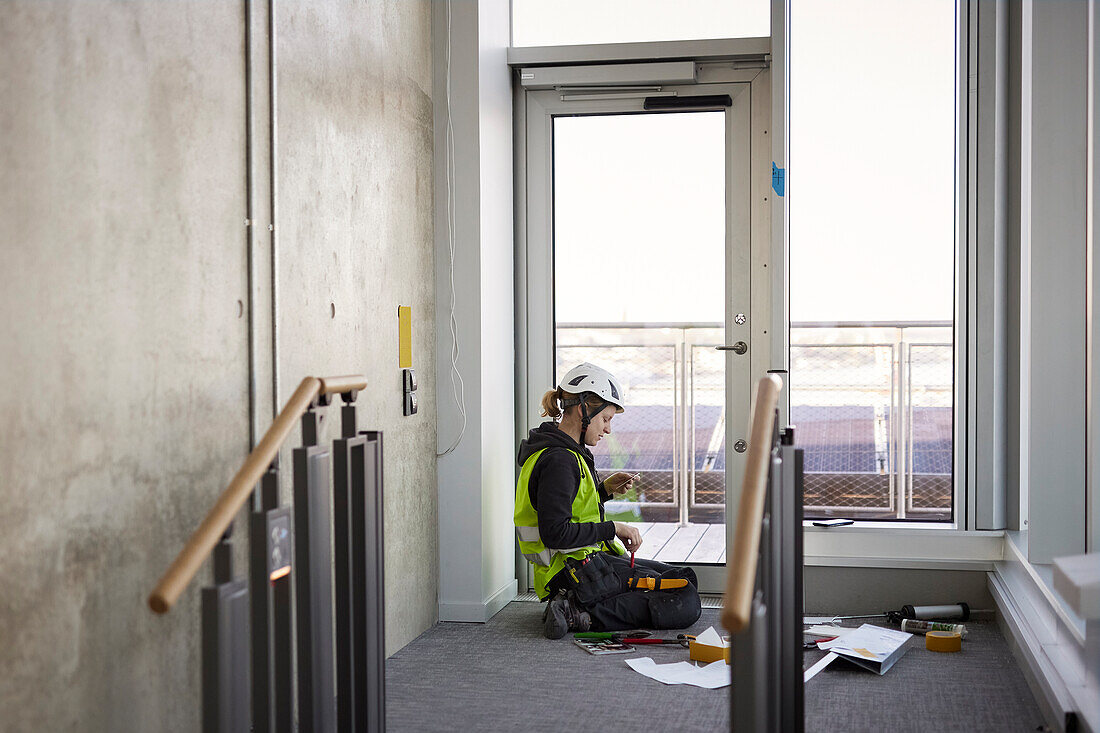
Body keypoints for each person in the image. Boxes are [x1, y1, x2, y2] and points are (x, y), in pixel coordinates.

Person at [514, 362, 702, 639]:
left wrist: (603, 491)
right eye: (606, 419)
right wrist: (614, 528)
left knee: (683, 577)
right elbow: (556, 533)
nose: (608, 429)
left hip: (584, 561)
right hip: (573, 571)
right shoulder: (559, 460)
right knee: (684, 597)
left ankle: (576, 606)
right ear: (583, 410)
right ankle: (577, 613)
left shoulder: (564, 452)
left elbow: (568, 509)